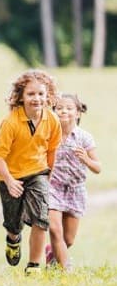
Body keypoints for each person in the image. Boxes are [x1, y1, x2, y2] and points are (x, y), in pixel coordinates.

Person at [0, 70, 62, 275]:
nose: (37, 98)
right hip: (9, 175)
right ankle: (13, 239)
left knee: (41, 219)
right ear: (21, 97)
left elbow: (52, 151)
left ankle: (33, 266)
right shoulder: (11, 122)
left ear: (48, 95)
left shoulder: (52, 120)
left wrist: (47, 178)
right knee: (13, 223)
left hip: (38, 173)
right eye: (31, 94)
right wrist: (9, 180)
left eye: (41, 94)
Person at [45, 94, 101, 269]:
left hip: (75, 190)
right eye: (60, 108)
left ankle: (52, 258)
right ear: (54, 112)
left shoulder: (84, 138)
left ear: (78, 113)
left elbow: (98, 168)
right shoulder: (47, 134)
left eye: (69, 108)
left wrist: (86, 159)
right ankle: (67, 271)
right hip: (52, 187)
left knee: (68, 240)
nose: (64, 111)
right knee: (55, 230)